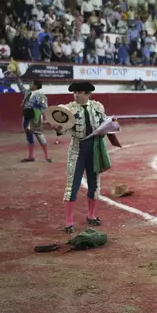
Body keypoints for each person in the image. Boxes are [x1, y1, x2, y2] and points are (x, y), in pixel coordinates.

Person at [53, 81, 112, 233]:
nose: (76, 95)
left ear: (88, 94)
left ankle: (91, 215)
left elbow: (106, 123)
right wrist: (58, 128)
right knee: (73, 184)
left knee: (94, 183)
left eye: (79, 92)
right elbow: (62, 129)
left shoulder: (97, 107)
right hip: (77, 148)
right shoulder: (69, 109)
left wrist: (109, 128)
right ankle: (68, 221)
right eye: (75, 93)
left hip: (94, 148)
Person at [18, 78, 51, 162]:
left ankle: (47, 155)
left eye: (31, 84)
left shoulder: (40, 95)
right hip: (27, 116)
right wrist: (17, 77)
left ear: (35, 86)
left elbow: (44, 107)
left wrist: (45, 117)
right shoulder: (28, 92)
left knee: (39, 135)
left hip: (36, 116)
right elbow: (21, 87)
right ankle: (31, 156)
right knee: (28, 135)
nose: (30, 85)